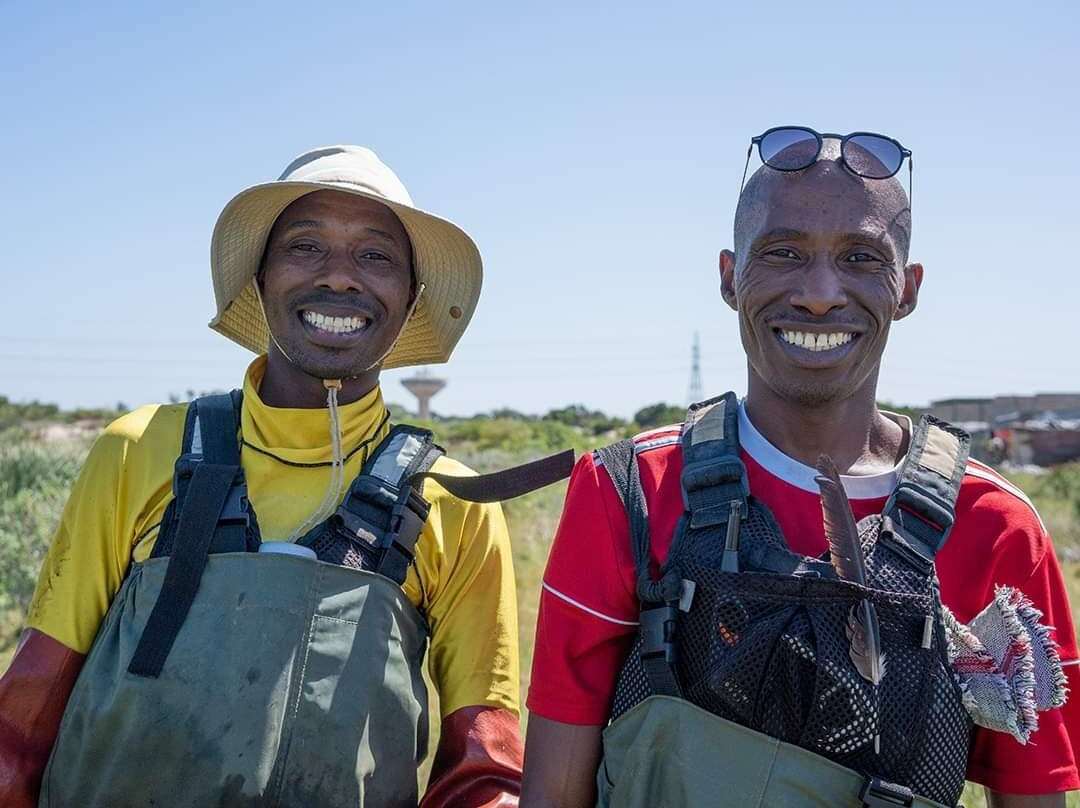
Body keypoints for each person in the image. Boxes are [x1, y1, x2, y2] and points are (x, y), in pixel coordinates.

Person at [521, 128, 1079, 807]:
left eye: (861, 258)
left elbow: (1036, 794)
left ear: (907, 288)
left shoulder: (996, 527)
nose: (819, 294)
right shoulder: (628, 491)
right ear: (730, 276)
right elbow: (553, 793)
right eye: (783, 253)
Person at [0, 145, 531, 807]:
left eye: (376, 255)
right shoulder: (139, 450)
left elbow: (486, 771)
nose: (340, 278)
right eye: (305, 247)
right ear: (257, 279)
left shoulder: (454, 504)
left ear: (412, 297)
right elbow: (24, 719)